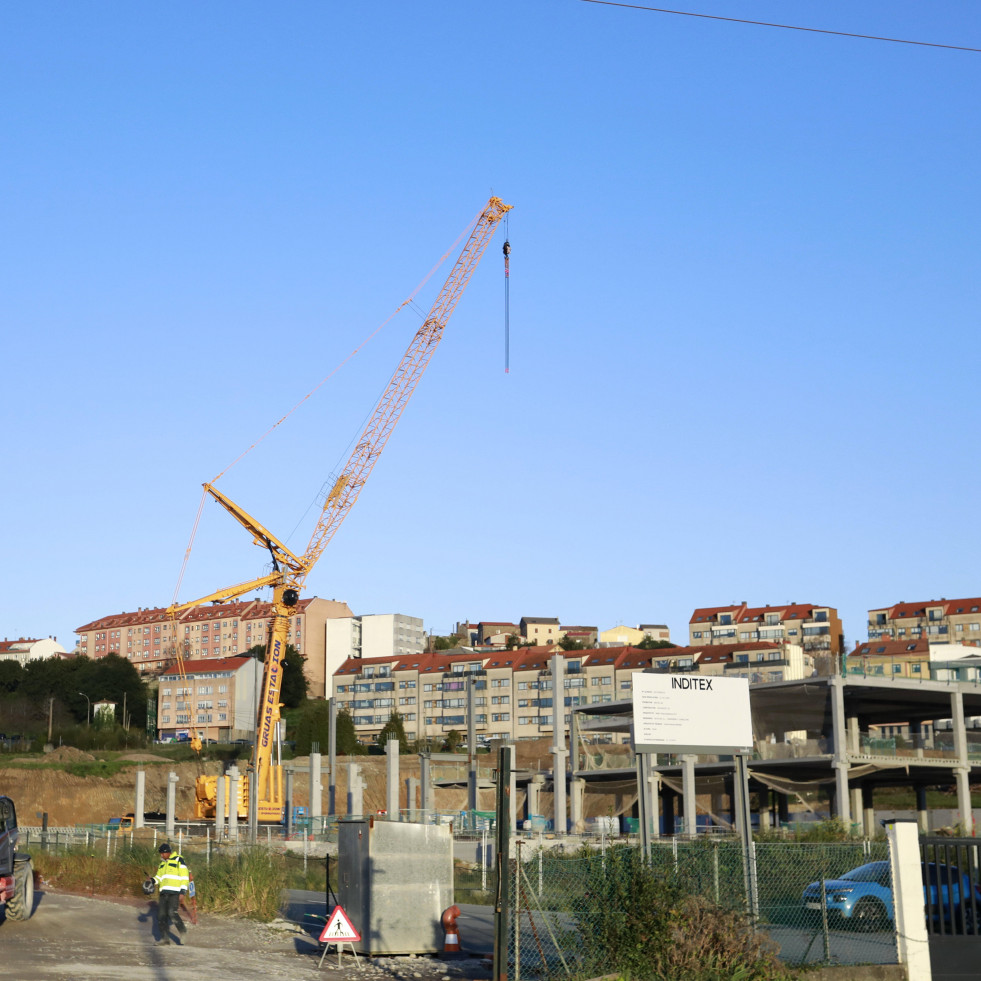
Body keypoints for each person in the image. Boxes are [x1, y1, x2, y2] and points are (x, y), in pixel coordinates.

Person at [148, 842, 190, 945]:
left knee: (172, 913)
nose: (161, 856)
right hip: (163, 893)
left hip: (175, 892)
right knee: (161, 916)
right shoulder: (162, 864)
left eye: (162, 853)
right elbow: (159, 877)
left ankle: (183, 931)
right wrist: (152, 880)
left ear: (168, 852)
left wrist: (183, 891)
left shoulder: (179, 860)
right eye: (160, 854)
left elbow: (185, 877)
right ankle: (165, 939)